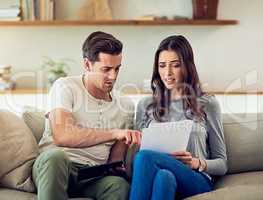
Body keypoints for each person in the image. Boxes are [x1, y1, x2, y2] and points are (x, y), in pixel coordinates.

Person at [33, 31, 141, 200]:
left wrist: (119, 168)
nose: (112, 77)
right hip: (56, 168)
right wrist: (113, 133)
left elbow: (114, 161)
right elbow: (62, 136)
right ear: (87, 64)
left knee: (118, 186)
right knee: (56, 157)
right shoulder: (65, 87)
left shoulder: (125, 105)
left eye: (117, 69)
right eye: (106, 69)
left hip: (91, 176)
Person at [129, 35, 227, 200]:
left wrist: (196, 162)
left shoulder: (208, 103)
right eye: (162, 66)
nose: (167, 73)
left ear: (187, 66)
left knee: (144, 156)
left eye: (175, 65)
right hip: (159, 176)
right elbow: (136, 163)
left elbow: (222, 164)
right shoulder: (145, 105)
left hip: (195, 179)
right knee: (164, 177)